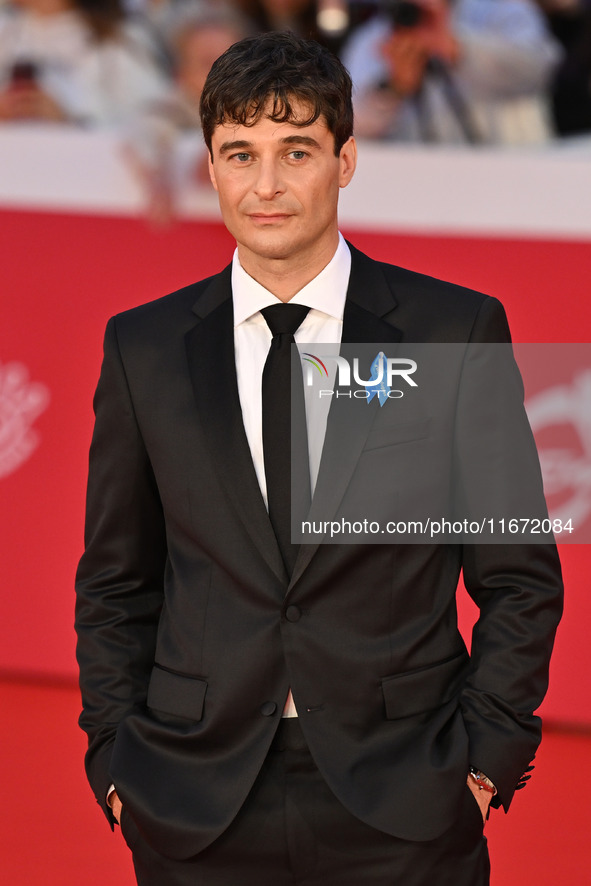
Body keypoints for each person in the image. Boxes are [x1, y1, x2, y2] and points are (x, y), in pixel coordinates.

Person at [75, 31, 563, 886]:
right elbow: (117, 579)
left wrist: (485, 759)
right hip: (194, 800)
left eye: (294, 151)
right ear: (213, 167)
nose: (265, 185)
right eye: (240, 154)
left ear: (343, 160)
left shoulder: (452, 330)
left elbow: (518, 571)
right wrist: (118, 762)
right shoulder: (143, 348)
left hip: (406, 799)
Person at [341, 0, 562, 144]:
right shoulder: (373, 38)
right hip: (421, 189)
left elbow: (540, 68)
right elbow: (349, 127)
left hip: (513, 179)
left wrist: (455, 47)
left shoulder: (501, 9)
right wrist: (393, 88)